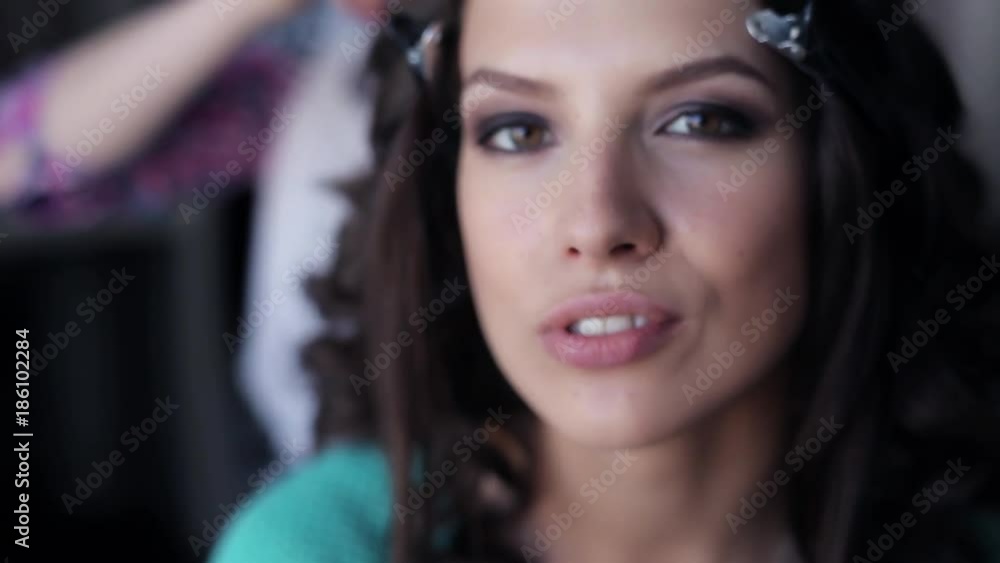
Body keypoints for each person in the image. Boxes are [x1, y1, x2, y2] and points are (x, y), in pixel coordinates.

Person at [210, 1, 1000, 562]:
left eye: (698, 120)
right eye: (518, 130)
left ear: (840, 170)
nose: (596, 222)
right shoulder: (320, 545)